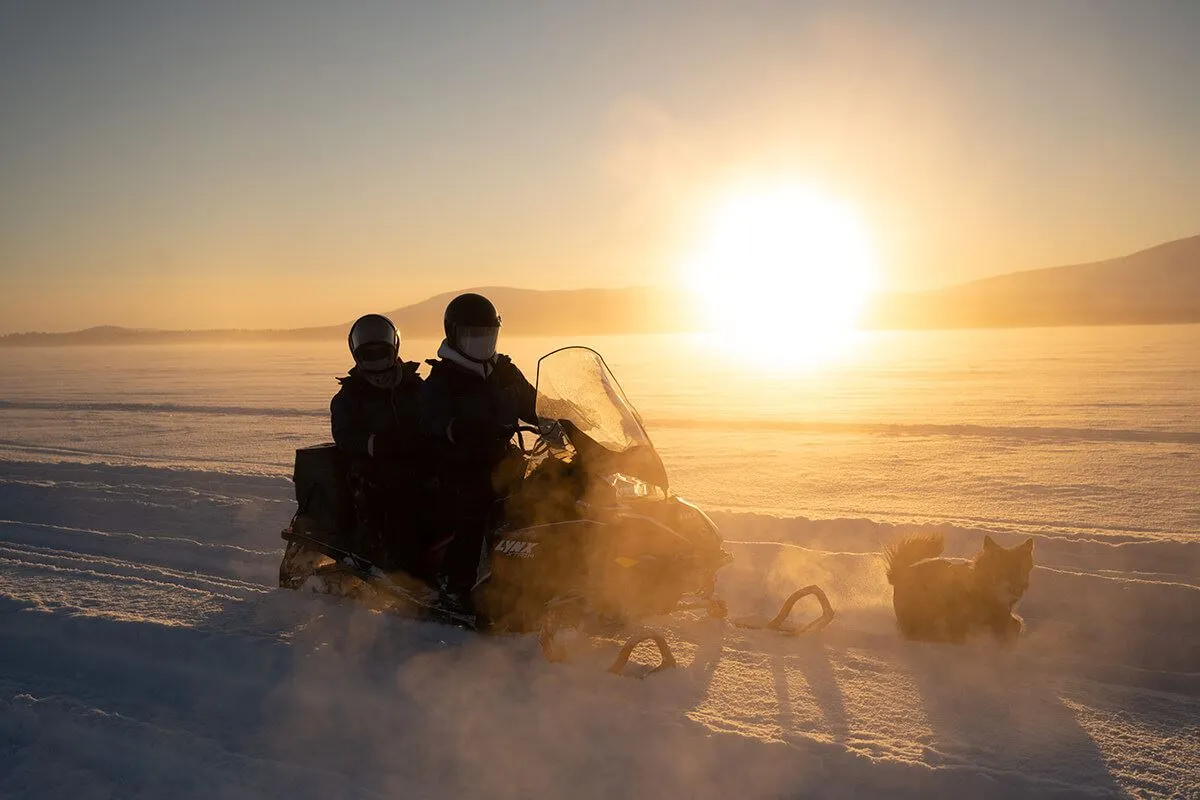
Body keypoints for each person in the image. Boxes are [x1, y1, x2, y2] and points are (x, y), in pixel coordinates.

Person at [421, 293, 537, 603]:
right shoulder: (442, 379)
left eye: (487, 335)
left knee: (545, 491)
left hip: (501, 459)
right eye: (472, 335)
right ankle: (459, 584)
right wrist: (457, 427)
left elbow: (535, 403)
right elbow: (431, 419)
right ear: (454, 335)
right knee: (478, 504)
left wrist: (570, 416)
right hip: (458, 465)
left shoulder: (505, 373)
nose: (480, 343)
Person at [331, 313, 432, 574]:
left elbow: (434, 414)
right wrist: (375, 443)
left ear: (394, 349)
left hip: (418, 456)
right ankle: (401, 570)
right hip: (372, 466)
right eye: (369, 355)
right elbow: (343, 436)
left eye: (381, 353)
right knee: (399, 494)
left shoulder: (415, 386)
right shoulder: (350, 397)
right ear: (357, 356)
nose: (377, 363)